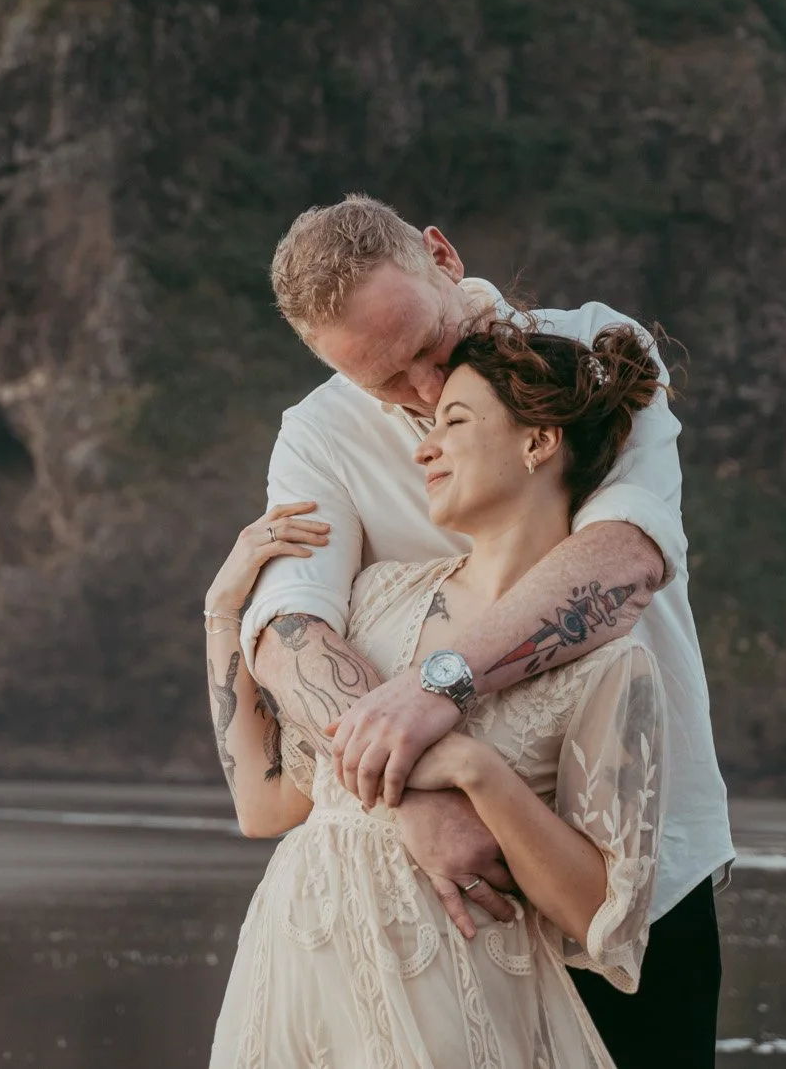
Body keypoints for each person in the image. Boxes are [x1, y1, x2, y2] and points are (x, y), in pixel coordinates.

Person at [236, 196, 733, 1066]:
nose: (423, 395)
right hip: (450, 901)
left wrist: (437, 689)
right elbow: (288, 630)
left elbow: (622, 561)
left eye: (427, 347)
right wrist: (418, 800)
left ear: (441, 253)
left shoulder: (589, 349)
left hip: (636, 868)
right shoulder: (319, 436)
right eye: (382, 378)